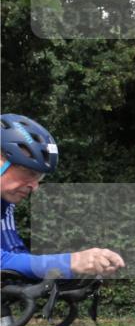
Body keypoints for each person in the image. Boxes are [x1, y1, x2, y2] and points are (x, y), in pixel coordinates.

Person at [1, 114, 125, 279]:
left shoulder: (4, 202)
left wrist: (65, 279)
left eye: (39, 177)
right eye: (29, 172)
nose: (35, 186)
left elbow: (14, 255)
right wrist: (71, 262)